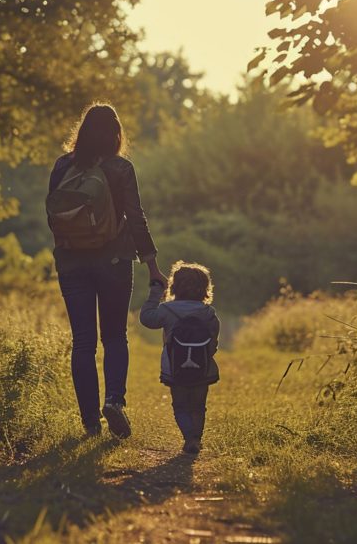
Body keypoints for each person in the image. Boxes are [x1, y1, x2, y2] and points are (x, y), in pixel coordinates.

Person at [47, 103, 166, 439]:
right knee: (114, 336)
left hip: (71, 263)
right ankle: (114, 401)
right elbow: (136, 217)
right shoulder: (120, 168)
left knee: (83, 342)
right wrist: (153, 267)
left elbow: (52, 215)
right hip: (114, 261)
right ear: (116, 134)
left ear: (81, 132)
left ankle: (89, 424)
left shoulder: (61, 166)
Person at [139, 261, 220, 454]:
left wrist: (155, 293)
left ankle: (189, 437)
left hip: (174, 369)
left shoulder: (168, 310)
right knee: (199, 406)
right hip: (203, 369)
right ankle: (196, 439)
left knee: (180, 405)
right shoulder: (208, 313)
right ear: (205, 289)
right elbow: (213, 342)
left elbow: (147, 319)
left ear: (174, 286)